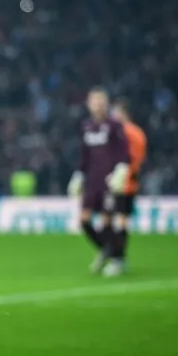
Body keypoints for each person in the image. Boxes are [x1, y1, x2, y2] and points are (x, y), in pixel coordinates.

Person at [67, 87, 131, 275]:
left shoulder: (114, 126)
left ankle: (118, 260)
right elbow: (84, 156)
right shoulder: (86, 126)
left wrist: (121, 170)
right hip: (91, 182)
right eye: (94, 101)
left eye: (101, 101)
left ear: (106, 104)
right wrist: (78, 176)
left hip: (108, 182)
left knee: (106, 222)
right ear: (88, 104)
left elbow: (123, 152)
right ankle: (108, 251)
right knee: (84, 221)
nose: (98, 105)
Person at [103, 98, 147, 276]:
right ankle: (115, 256)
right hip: (130, 182)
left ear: (123, 113)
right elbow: (139, 159)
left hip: (120, 182)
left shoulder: (124, 132)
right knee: (121, 221)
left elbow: (125, 158)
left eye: (115, 113)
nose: (113, 117)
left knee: (115, 221)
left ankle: (117, 258)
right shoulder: (139, 133)